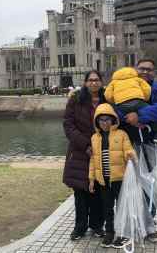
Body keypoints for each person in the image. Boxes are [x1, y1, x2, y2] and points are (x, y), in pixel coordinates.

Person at [121, 58, 157, 243]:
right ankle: (132, 219)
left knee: (149, 182)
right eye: (141, 68)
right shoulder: (124, 85)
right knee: (129, 182)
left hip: (151, 142)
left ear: (154, 72)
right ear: (135, 70)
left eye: (149, 69)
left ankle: (150, 222)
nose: (145, 72)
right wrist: (129, 118)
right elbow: (115, 108)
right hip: (128, 143)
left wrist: (139, 115)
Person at [63, 70, 105, 241]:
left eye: (97, 80)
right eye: (90, 80)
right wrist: (86, 144)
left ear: (101, 82)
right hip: (79, 151)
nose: (93, 83)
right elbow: (68, 125)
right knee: (80, 192)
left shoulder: (107, 98)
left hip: (101, 150)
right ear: (86, 82)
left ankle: (96, 225)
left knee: (98, 191)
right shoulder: (76, 99)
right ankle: (80, 227)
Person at [88, 103, 136, 248]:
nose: (104, 123)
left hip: (119, 179)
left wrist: (131, 155)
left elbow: (128, 149)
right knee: (107, 208)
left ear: (113, 119)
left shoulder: (121, 134)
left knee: (122, 207)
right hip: (103, 181)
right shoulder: (94, 138)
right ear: (97, 122)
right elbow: (92, 160)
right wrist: (91, 180)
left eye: (107, 119)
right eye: (101, 120)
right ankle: (110, 232)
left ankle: (124, 233)